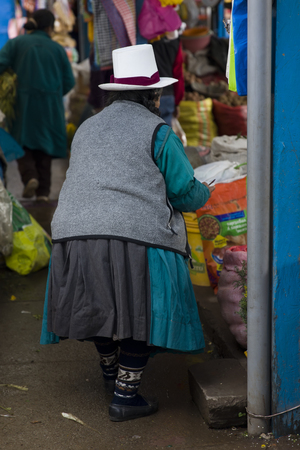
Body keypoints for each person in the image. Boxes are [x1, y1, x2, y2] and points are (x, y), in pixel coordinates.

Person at [43, 44, 215, 422]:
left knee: (100, 306)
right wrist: (209, 190)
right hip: (134, 235)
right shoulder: (158, 131)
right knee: (141, 313)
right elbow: (185, 193)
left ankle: (111, 372)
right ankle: (125, 396)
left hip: (73, 235)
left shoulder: (87, 126)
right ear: (152, 95)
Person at [0, 9, 75, 201]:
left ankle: (30, 176)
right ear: (50, 27)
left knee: (22, 142)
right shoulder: (57, 49)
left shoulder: (16, 43)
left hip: (21, 103)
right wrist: (54, 93)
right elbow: (69, 81)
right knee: (45, 146)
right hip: (50, 106)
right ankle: (43, 192)